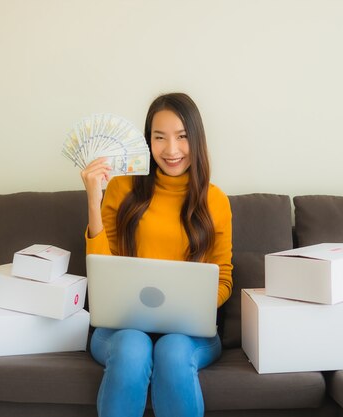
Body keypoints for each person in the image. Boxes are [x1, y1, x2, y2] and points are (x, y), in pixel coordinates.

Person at [80, 92, 233, 417]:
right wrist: (94, 199)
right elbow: (101, 267)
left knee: (173, 350)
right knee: (133, 348)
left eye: (182, 137)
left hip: (190, 334)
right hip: (120, 330)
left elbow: (224, 278)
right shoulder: (123, 188)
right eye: (159, 137)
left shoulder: (215, 201)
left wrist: (191, 307)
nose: (172, 150)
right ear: (147, 141)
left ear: (197, 140)